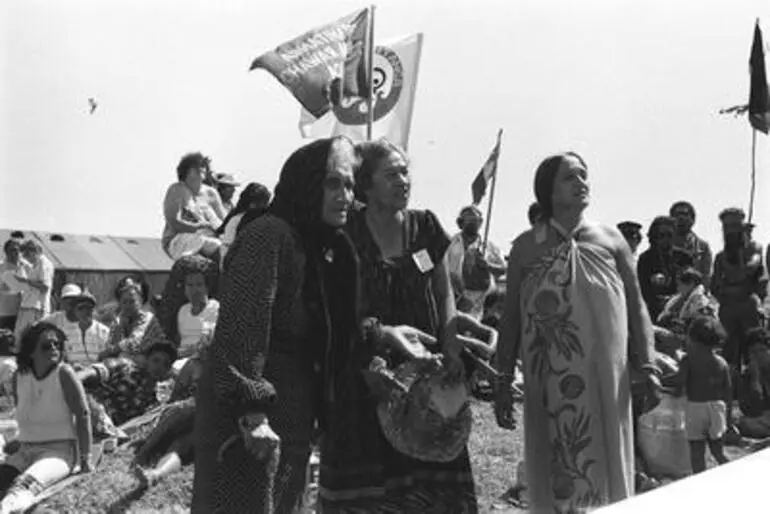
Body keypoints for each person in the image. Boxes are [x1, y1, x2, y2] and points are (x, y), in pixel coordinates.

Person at [494, 152, 660, 512]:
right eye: (571, 176)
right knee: (556, 463)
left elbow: (637, 307)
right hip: (550, 380)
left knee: (607, 456)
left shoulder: (612, 241)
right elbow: (510, 319)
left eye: (584, 174)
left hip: (606, 379)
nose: (582, 182)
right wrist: (502, 378)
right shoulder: (525, 247)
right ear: (548, 190)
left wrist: (647, 364)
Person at [325, 138, 482, 512]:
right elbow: (340, 307)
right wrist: (369, 360)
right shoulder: (347, 234)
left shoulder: (425, 226)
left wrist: (451, 342)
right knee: (368, 480)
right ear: (366, 184)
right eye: (391, 173)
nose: (403, 180)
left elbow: (444, 291)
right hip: (369, 369)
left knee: (431, 468)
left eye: (405, 171)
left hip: (426, 372)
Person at [0, 323, 91, 514]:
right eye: (46, 346)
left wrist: (85, 459)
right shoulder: (19, 376)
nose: (54, 349)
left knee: (21, 489)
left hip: (58, 453)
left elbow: (83, 415)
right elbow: (25, 413)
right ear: (31, 350)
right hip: (25, 451)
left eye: (57, 344)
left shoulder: (64, 374)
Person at [711, 208, 767, 372]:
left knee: (755, 349)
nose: (731, 230)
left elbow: (752, 268)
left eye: (735, 225)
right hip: (728, 308)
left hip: (748, 305)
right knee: (729, 352)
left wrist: (742, 257)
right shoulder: (720, 257)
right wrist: (726, 294)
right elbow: (714, 285)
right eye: (727, 226)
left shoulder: (754, 248)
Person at [675, 316, 731, 474]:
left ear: (691, 339)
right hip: (717, 409)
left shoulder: (688, 360)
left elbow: (679, 381)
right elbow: (728, 391)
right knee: (718, 452)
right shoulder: (722, 363)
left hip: (695, 408)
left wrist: (659, 379)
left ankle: (700, 480)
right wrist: (729, 419)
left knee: (697, 453)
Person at [79, 340, 177, 427]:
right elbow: (97, 371)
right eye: (156, 360)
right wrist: (76, 378)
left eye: (165, 364)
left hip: (114, 433)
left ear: (168, 370)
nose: (159, 367)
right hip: (89, 415)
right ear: (147, 360)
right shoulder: (124, 367)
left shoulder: (154, 399)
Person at [162, 152, 227, 262]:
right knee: (218, 248)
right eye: (199, 166)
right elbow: (174, 222)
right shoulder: (176, 189)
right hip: (179, 240)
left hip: (210, 238)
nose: (203, 169)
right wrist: (199, 226)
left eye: (204, 166)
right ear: (189, 170)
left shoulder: (211, 193)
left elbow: (225, 223)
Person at [447, 205, 507, 320]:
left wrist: (488, 266)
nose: (473, 223)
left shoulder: (489, 247)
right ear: (461, 222)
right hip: (455, 296)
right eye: (469, 219)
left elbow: (503, 269)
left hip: (482, 299)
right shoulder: (450, 243)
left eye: (476, 220)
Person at [637, 216, 694, 322]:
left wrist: (674, 301)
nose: (666, 239)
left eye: (669, 235)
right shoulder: (645, 259)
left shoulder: (684, 257)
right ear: (654, 236)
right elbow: (643, 289)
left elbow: (691, 286)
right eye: (661, 235)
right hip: (654, 313)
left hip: (680, 311)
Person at [100, 276, 167, 365]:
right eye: (124, 302)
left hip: (149, 363)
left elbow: (133, 344)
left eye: (132, 301)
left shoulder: (148, 318)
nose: (128, 305)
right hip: (124, 361)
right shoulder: (118, 320)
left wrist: (115, 349)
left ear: (141, 300)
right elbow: (110, 345)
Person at [43, 285, 109, 368]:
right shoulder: (63, 332)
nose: (85, 311)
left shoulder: (104, 331)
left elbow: (108, 358)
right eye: (81, 308)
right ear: (75, 310)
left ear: (94, 309)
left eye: (89, 308)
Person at [11, 240, 54, 349]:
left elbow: (45, 286)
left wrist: (25, 280)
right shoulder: (31, 264)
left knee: (33, 338)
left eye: (27, 254)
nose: (26, 257)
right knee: (19, 338)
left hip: (37, 308)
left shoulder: (44, 264)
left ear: (35, 251)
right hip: (26, 305)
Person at [215, 182, 272, 262]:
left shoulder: (265, 221)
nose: (265, 207)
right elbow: (227, 251)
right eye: (263, 204)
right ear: (251, 204)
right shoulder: (236, 221)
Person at [670, 201, 713, 289]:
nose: (681, 218)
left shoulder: (702, 247)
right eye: (677, 214)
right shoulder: (663, 244)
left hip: (694, 294)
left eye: (685, 214)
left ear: (692, 220)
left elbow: (706, 278)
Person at [0, 240, 26, 332]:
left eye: (18, 250)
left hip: (23, 314)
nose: (16, 253)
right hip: (5, 314)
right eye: (13, 250)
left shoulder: (25, 267)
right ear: (6, 252)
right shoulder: (1, 267)